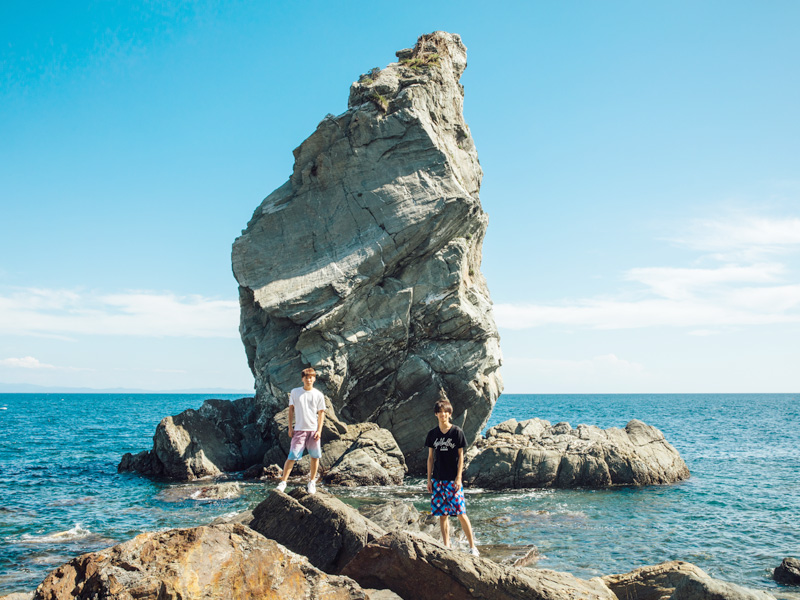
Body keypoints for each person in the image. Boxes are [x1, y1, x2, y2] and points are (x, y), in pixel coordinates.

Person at [425, 394, 479, 556]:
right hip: (438, 479)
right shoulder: (432, 434)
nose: (443, 415)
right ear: (436, 414)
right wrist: (429, 480)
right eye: (440, 412)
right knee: (443, 515)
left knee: (461, 513)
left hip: (452, 480)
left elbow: (461, 456)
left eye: (445, 412)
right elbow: (430, 458)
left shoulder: (457, 432)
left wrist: (459, 477)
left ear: (450, 413)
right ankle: (446, 546)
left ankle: (472, 547)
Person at [276, 367, 326, 494]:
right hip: (299, 430)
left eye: (311, 377)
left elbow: (321, 414)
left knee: (315, 457)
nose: (309, 380)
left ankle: (312, 482)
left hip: (313, 430)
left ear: (314, 379)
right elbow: (291, 410)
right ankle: (283, 482)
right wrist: (290, 427)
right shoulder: (295, 392)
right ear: (302, 379)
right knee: (292, 456)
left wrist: (319, 430)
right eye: (306, 377)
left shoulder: (318, 394)